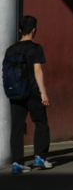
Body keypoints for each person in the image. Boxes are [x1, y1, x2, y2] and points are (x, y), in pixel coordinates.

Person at [7, 15, 52, 174]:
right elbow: (37, 71)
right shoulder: (36, 48)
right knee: (41, 123)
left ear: (20, 30)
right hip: (32, 91)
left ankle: (17, 163)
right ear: (34, 30)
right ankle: (40, 156)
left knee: (17, 127)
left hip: (15, 92)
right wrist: (43, 93)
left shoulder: (10, 49)